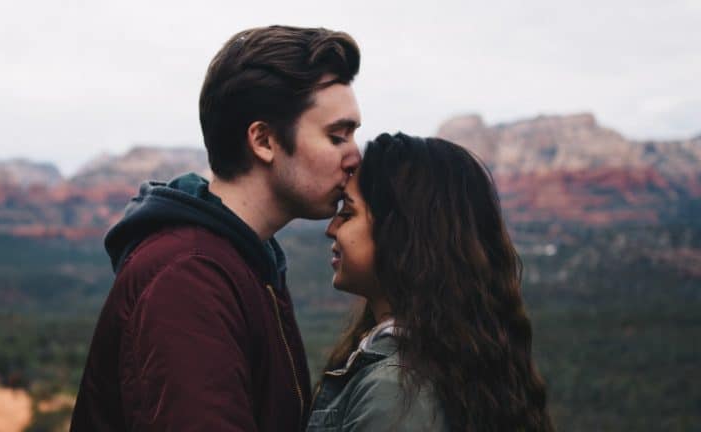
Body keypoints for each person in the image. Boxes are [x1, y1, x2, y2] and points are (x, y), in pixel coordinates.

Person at [71, 25, 362, 431]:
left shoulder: (246, 262)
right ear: (263, 141)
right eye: (337, 136)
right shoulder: (189, 277)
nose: (354, 157)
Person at [308, 132, 555, 431]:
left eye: (347, 213)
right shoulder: (449, 360)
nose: (331, 229)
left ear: (399, 233)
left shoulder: (396, 393)